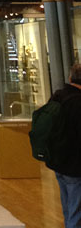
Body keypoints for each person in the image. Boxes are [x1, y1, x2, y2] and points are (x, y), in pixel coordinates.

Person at [47, 63, 81, 228]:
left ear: (70, 78)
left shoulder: (57, 96)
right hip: (74, 164)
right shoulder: (77, 102)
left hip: (59, 160)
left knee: (68, 206)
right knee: (76, 210)